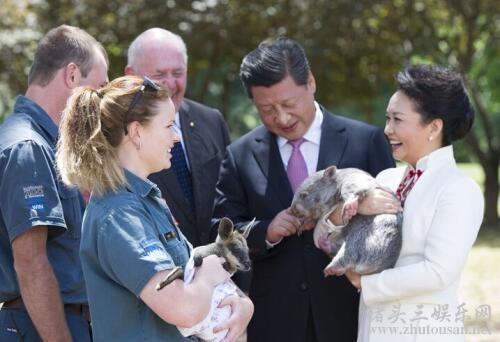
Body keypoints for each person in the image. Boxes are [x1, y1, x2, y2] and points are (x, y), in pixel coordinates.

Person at [212, 37, 395, 342]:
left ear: (310, 82)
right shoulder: (239, 155)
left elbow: (391, 222)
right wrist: (266, 232)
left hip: (353, 315)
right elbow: (219, 231)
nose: (281, 118)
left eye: (288, 104)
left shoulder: (365, 142)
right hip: (276, 321)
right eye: (266, 109)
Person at [56, 75, 253, 341]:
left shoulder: (145, 201)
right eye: (169, 126)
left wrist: (243, 306)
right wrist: (207, 276)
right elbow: (183, 308)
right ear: (136, 132)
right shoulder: (120, 216)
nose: (175, 138)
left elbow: (191, 279)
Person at [337, 64, 484, 341]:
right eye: (387, 118)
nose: (387, 129)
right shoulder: (386, 178)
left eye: (397, 120)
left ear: (434, 127)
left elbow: (438, 271)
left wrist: (366, 283)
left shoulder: (459, 189)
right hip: (372, 328)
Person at [0, 25, 108, 341]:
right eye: (98, 88)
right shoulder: (28, 147)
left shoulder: (47, 145)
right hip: (41, 326)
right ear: (72, 75)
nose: (100, 103)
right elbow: (31, 264)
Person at [125, 28, 230, 247]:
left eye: (178, 73)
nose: (171, 84)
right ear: (131, 75)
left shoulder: (211, 121)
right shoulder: (119, 137)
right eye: (159, 75)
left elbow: (231, 200)